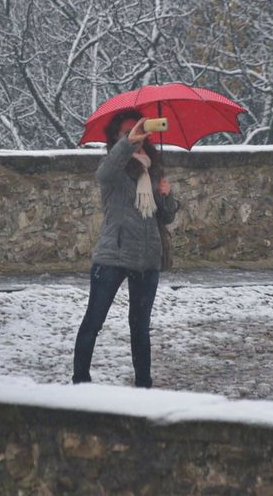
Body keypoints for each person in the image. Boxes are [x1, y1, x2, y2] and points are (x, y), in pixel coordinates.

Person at [72, 109, 179, 388]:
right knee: (94, 321)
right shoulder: (114, 169)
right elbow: (103, 173)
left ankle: (144, 384)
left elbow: (165, 217)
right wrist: (128, 142)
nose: (137, 136)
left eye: (141, 130)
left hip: (147, 257)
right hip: (114, 256)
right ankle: (80, 380)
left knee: (140, 327)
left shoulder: (153, 170)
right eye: (128, 131)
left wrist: (167, 196)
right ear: (117, 137)